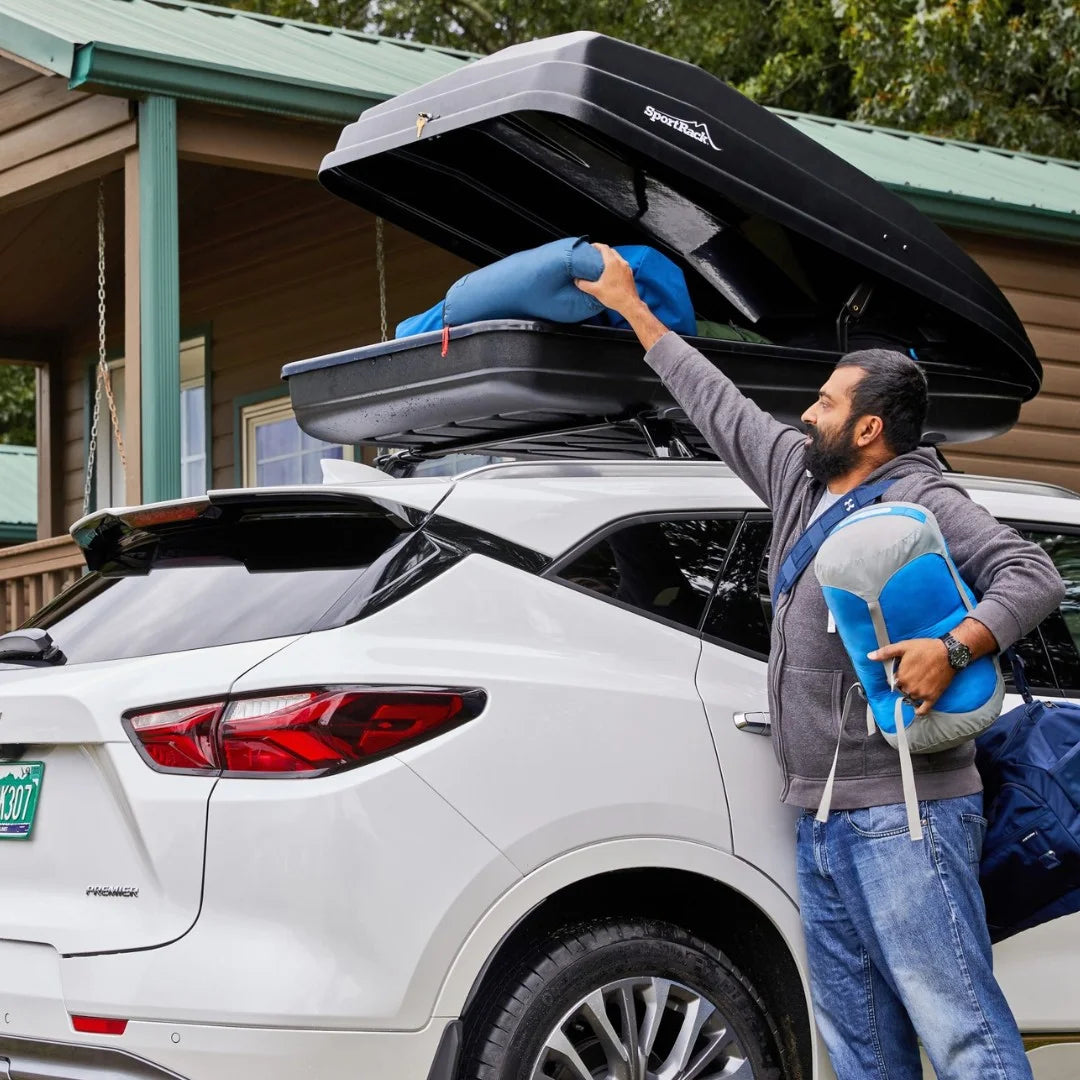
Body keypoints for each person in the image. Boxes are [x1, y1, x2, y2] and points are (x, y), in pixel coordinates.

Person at [576, 244, 1066, 1080]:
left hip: (909, 816)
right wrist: (636, 311)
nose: (808, 413)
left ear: (869, 428)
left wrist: (953, 649)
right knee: (862, 1048)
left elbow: (1035, 576)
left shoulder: (926, 498)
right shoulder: (803, 484)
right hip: (824, 819)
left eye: (826, 402)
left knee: (961, 1035)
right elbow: (717, 405)